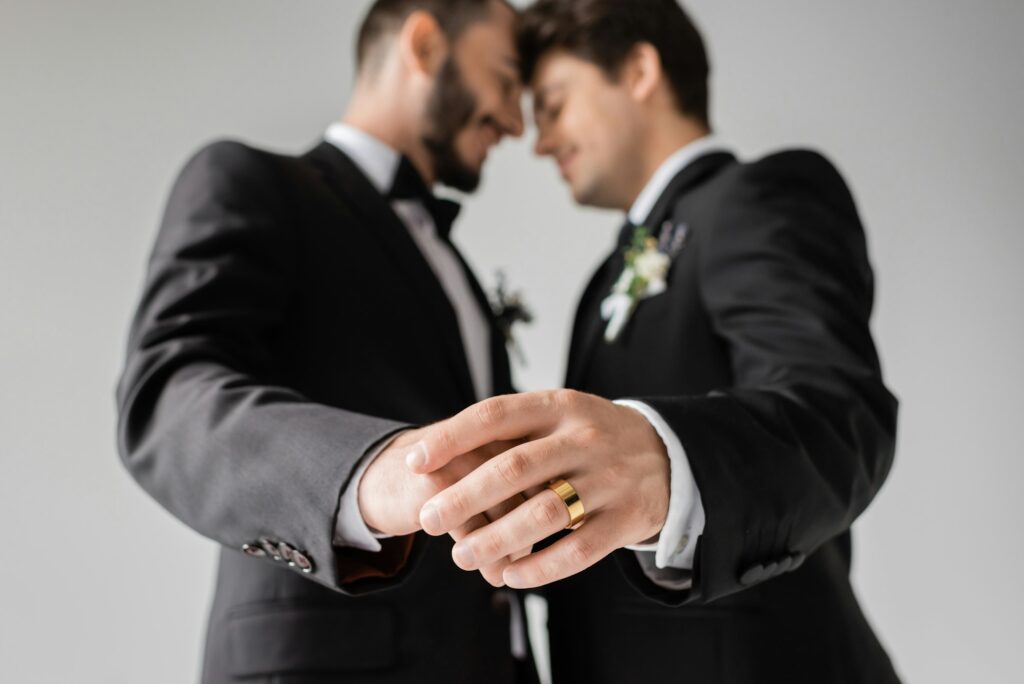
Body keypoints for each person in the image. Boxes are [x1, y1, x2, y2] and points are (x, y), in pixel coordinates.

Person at [405, 0, 902, 681]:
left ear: (639, 70)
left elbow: (838, 415)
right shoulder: (603, 278)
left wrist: (665, 467)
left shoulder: (759, 196)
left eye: (552, 104)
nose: (539, 140)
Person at [116, 1, 539, 681]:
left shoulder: (449, 261)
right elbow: (169, 396)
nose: (518, 123)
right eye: (507, 78)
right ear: (426, 44)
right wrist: (372, 471)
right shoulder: (252, 182)